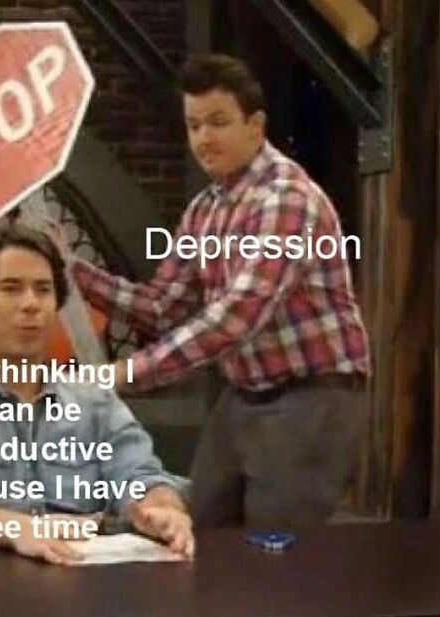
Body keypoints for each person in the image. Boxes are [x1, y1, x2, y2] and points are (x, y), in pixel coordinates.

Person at [64, 54, 371, 528]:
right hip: (245, 392)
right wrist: (72, 271)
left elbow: (237, 316)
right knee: (200, 525)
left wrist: (124, 373)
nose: (204, 138)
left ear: (255, 126)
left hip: (311, 395)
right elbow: (162, 306)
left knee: (275, 550)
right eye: (194, 125)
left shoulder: (286, 197)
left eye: (219, 122)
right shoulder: (204, 208)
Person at [0, 221, 193, 565]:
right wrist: (20, 529)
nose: (31, 304)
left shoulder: (95, 401)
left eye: (43, 290)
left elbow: (141, 476)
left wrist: (162, 508)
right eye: (11, 289)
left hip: (81, 580)